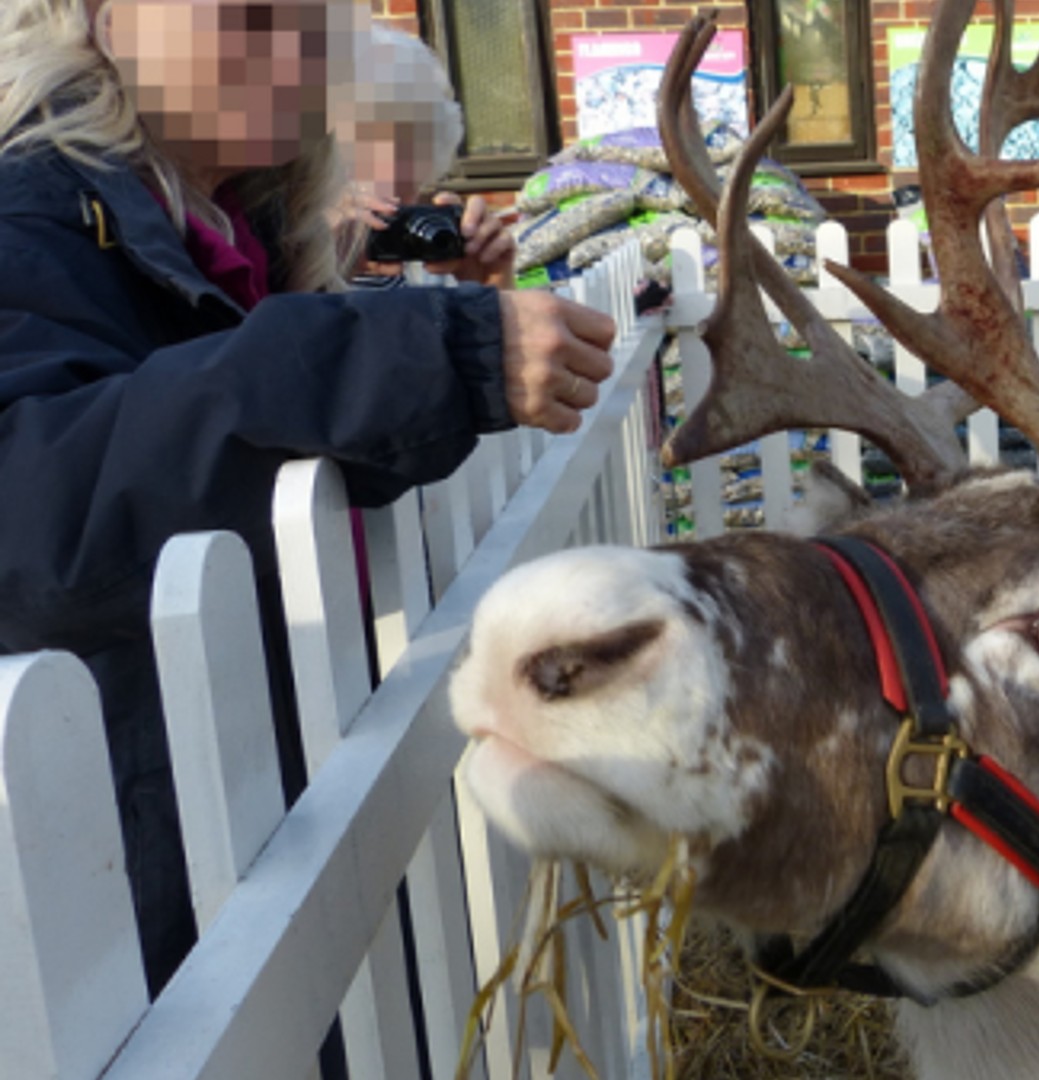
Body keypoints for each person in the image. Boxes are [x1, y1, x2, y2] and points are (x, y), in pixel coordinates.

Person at [0, 0, 616, 993]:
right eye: (246, 16)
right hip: (125, 888)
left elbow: (234, 417)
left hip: (242, 820)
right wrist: (425, 354)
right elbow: (31, 519)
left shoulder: (229, 225)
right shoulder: (25, 211)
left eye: (310, 20)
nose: (291, 55)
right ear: (108, 20)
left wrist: (419, 342)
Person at [331, 24, 516, 289]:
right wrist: (309, 267)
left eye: (399, 211)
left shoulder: (430, 279)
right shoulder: (264, 275)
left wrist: (490, 289)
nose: (379, 224)